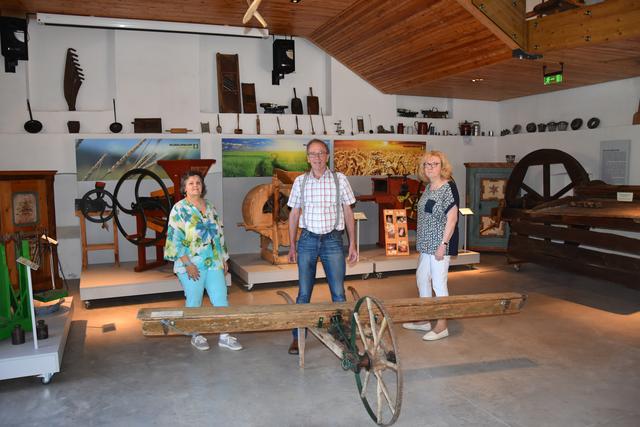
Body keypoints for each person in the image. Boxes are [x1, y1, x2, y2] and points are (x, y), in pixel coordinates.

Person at [286, 139, 358, 354]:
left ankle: (343, 335)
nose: (317, 158)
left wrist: (352, 243)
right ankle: (298, 337)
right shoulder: (300, 181)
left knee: (338, 292)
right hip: (307, 240)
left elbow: (348, 212)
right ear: (307, 158)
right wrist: (291, 245)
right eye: (313, 154)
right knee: (304, 292)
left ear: (327, 156)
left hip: (333, 240)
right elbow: (294, 214)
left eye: (321, 153)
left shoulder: (340, 179)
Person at [164, 170, 242, 351]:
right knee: (194, 300)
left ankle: (224, 335)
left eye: (198, 182)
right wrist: (187, 264)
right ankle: (195, 334)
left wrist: (223, 258)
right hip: (190, 264)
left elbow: (218, 234)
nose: (195, 186)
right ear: (184, 187)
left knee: (221, 298)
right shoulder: (179, 209)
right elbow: (174, 239)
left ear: (202, 186)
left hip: (213, 262)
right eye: (190, 183)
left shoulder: (210, 206)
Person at [402, 150, 459, 341]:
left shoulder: (447, 187)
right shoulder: (428, 187)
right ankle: (425, 318)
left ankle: (442, 325)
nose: (430, 167)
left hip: (439, 245)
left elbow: (452, 219)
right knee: (421, 278)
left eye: (435, 164)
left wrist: (443, 245)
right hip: (426, 245)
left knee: (438, 283)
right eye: (427, 164)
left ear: (442, 167)